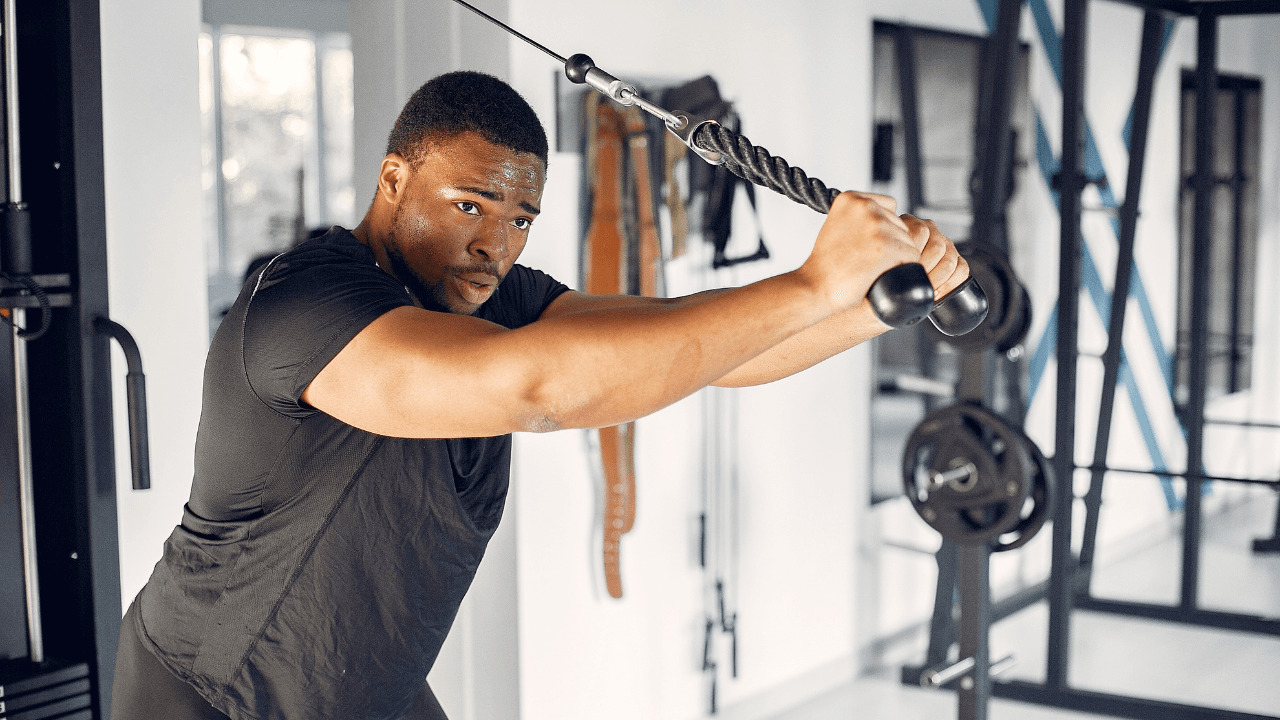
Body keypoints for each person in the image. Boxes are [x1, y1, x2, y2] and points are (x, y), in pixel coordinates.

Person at [110, 70, 967, 720]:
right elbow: (535, 389)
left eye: (518, 220)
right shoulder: (306, 302)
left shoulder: (491, 294)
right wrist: (815, 286)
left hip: (368, 685)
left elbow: (703, 348)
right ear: (394, 179)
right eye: (470, 205)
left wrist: (873, 307)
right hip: (216, 689)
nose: (493, 245)